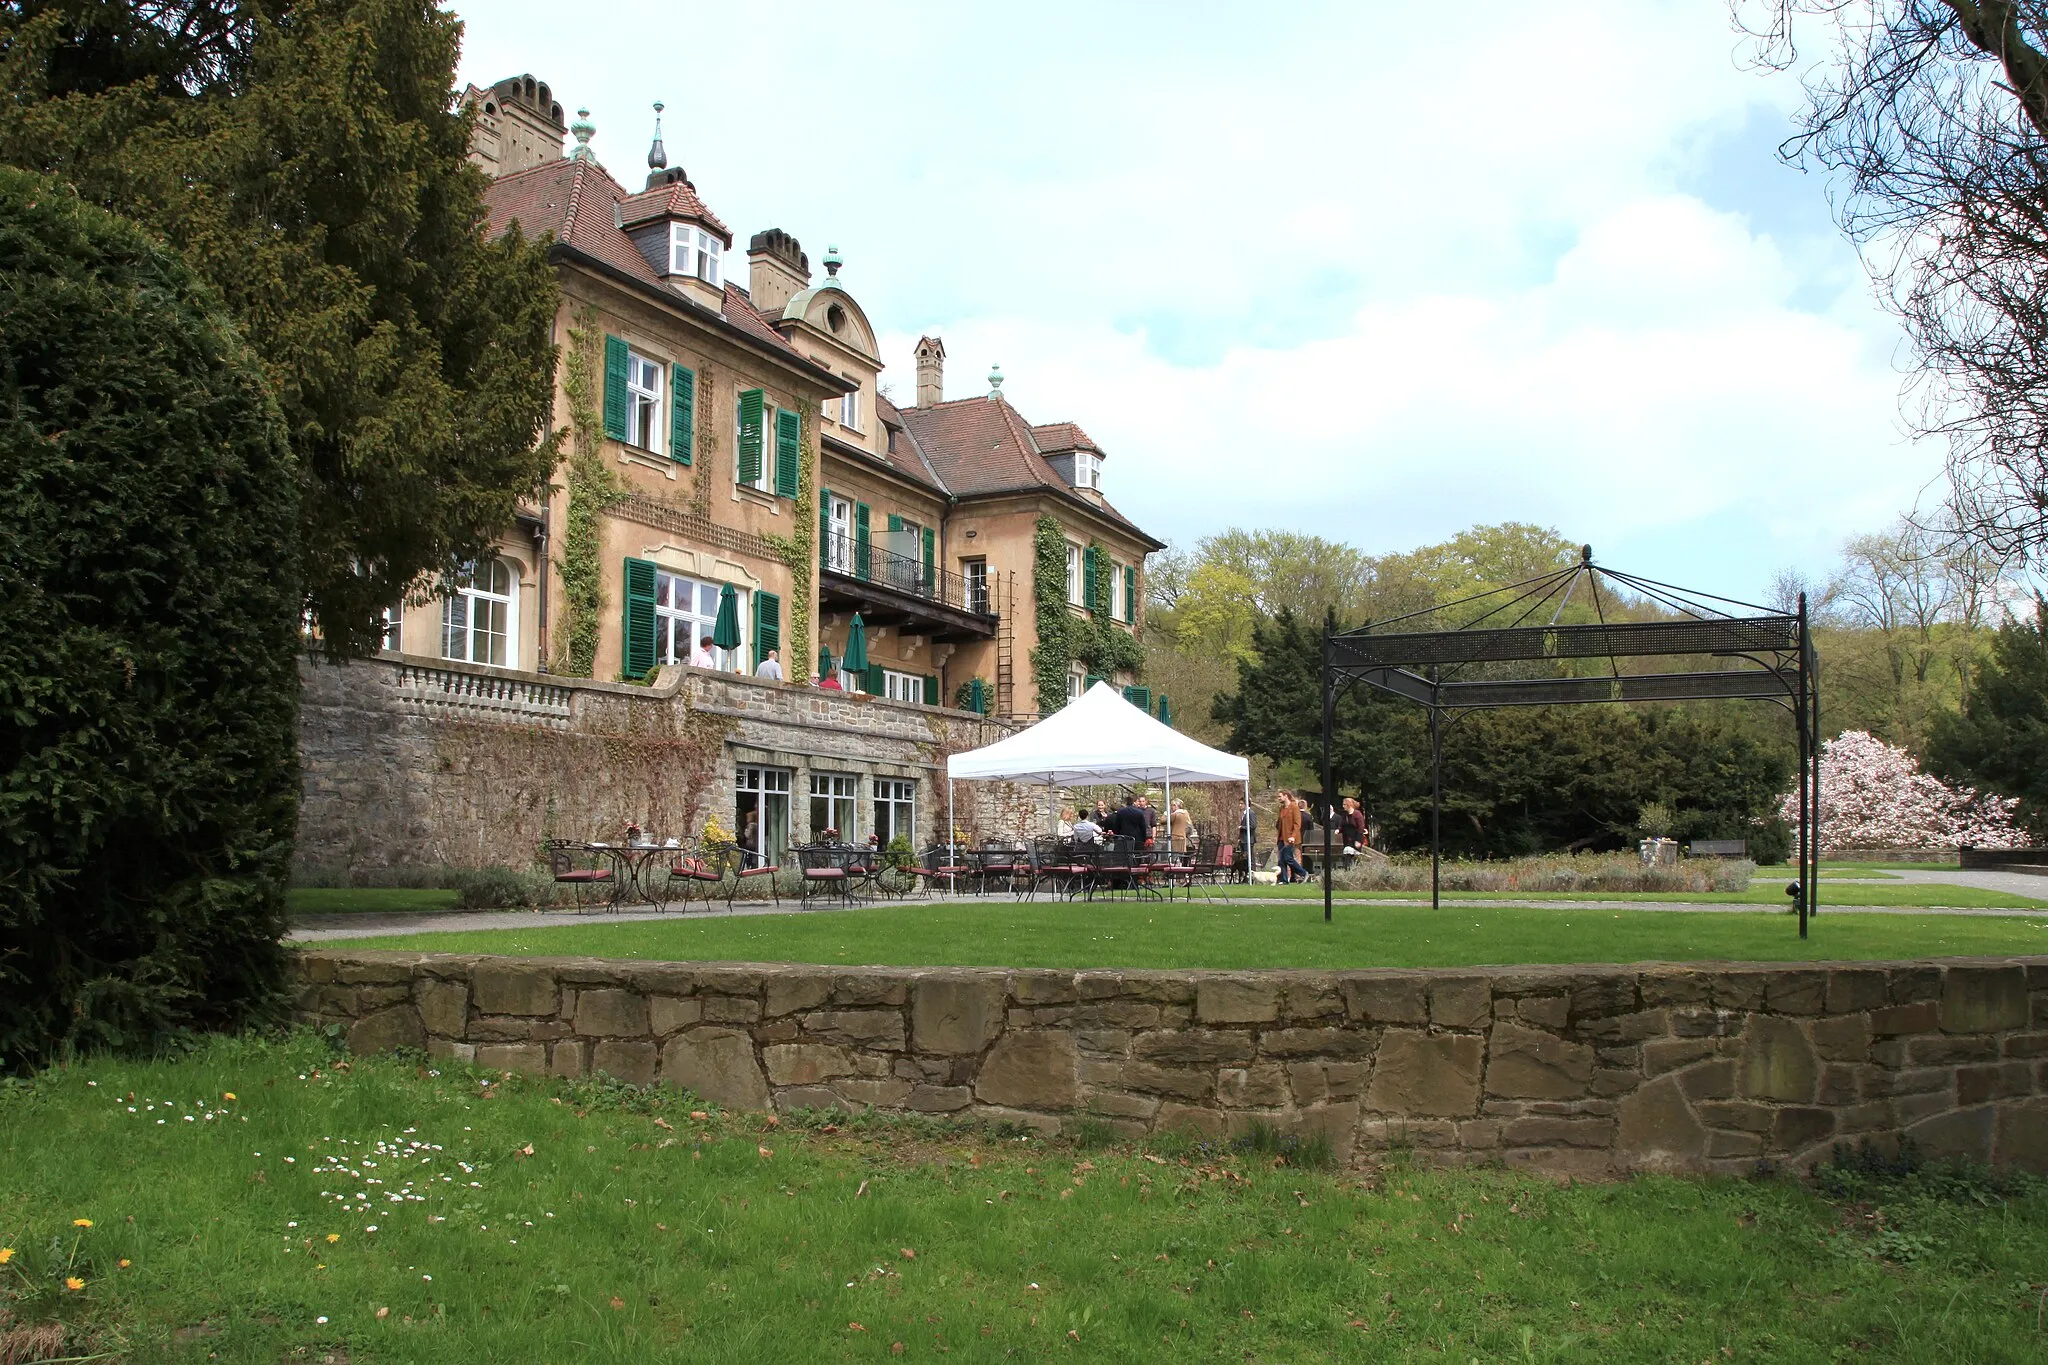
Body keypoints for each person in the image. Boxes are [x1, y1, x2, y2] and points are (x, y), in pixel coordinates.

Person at [1275, 791, 1307, 884]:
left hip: (1289, 838)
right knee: (1281, 859)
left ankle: (1303, 873)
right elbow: (1280, 822)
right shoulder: (1281, 808)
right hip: (1281, 838)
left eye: (1280, 796)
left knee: (1288, 857)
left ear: (1286, 796)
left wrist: (1293, 836)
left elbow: (1297, 824)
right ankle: (1284, 880)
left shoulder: (1294, 807)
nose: (1279, 798)